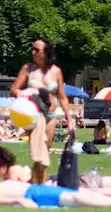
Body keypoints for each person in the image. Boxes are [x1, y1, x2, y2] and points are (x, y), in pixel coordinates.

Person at [9, 37, 71, 185]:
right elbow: (13, 89)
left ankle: (35, 183)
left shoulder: (56, 71)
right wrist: (22, 93)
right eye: (33, 49)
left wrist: (70, 119)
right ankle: (40, 185)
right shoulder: (28, 69)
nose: (33, 52)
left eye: (37, 50)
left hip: (51, 115)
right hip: (34, 116)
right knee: (39, 152)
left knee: (45, 151)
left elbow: (62, 97)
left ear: (46, 52)